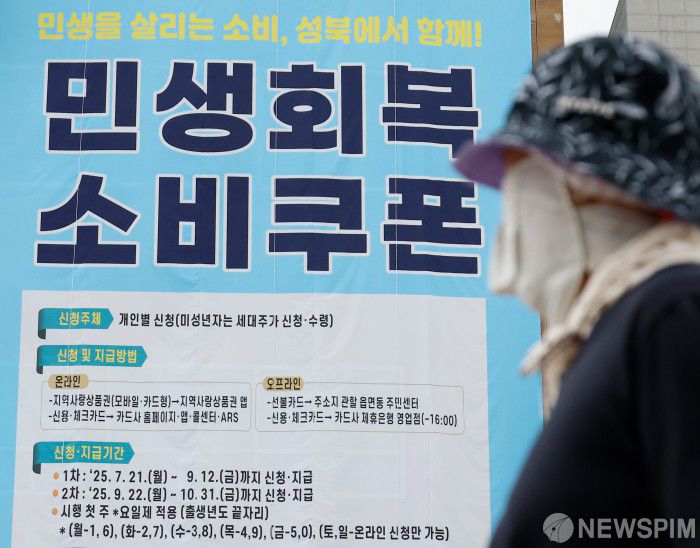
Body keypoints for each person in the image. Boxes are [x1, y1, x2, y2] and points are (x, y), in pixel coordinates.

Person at [456, 36, 700, 547]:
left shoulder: (673, 310)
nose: (511, 218)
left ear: (586, 189)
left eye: (524, 185)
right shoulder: (622, 325)